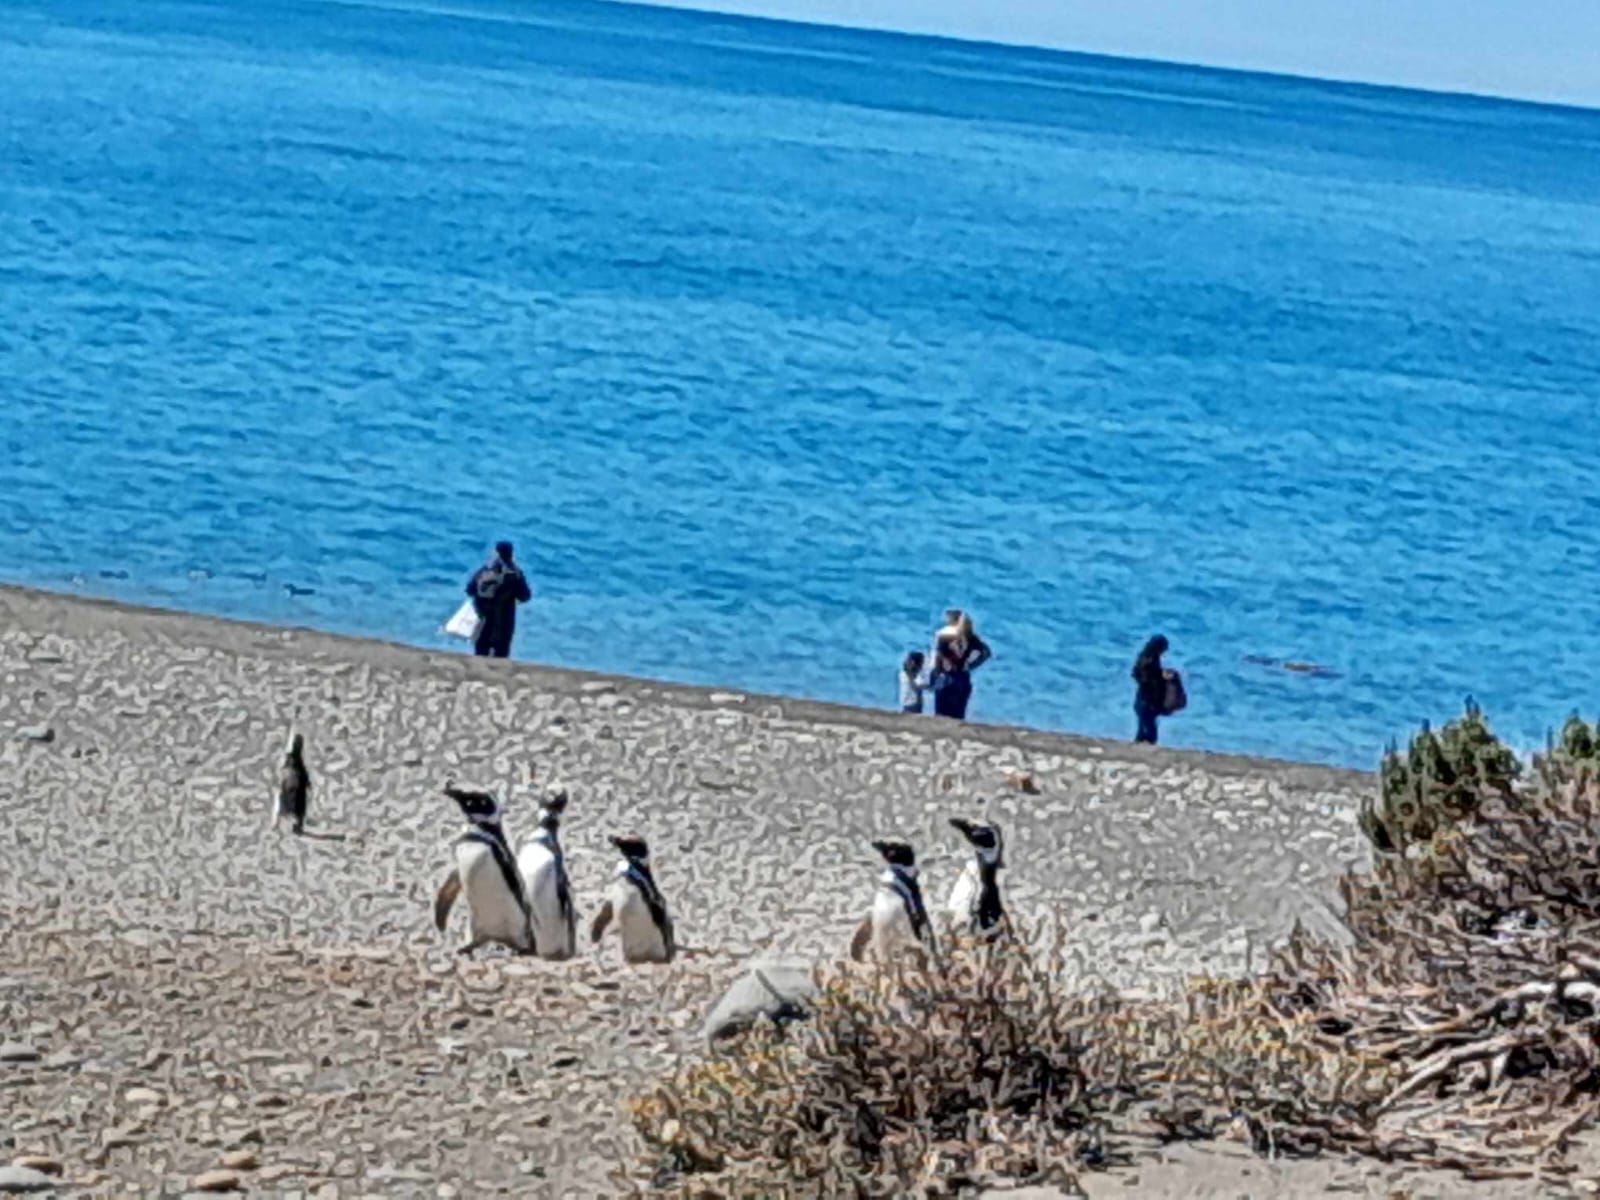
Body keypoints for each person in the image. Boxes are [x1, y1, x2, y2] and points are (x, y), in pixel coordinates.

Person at [465, 541, 531, 659]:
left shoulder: (486, 570)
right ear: (511, 554)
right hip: (504, 625)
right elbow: (525, 596)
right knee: (500, 658)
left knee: (480, 655)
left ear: (496, 553)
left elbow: (470, 589)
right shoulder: (515, 574)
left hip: (483, 623)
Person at [929, 609, 991, 721]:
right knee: (958, 715)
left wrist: (935, 675)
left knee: (941, 713)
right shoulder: (972, 638)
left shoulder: (944, 636)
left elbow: (939, 656)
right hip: (963, 676)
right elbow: (986, 653)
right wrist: (972, 665)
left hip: (947, 675)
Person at [1132, 634, 1170, 745]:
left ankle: (1140, 742)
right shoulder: (1149, 659)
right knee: (1148, 723)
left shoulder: (1146, 656)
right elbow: (1145, 676)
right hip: (1148, 696)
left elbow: (1136, 673)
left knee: (1144, 721)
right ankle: (1148, 743)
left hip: (1144, 695)